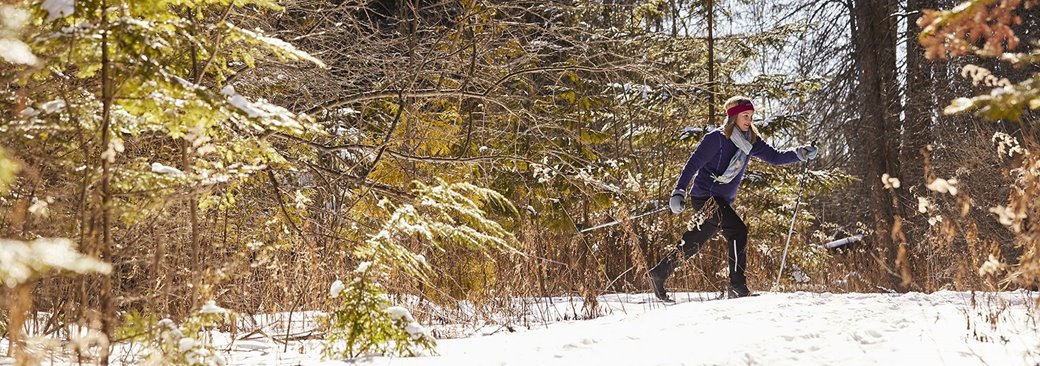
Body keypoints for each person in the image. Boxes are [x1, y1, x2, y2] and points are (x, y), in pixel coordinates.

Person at [648, 96, 818, 301]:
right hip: (705, 197)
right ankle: (737, 285)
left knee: (693, 242)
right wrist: (679, 191)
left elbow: (774, 157)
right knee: (738, 230)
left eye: (751, 116)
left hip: (722, 201)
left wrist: (799, 153)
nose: (749, 119)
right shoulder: (716, 139)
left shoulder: (750, 141)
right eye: (745, 115)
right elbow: (693, 164)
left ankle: (658, 273)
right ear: (733, 116)